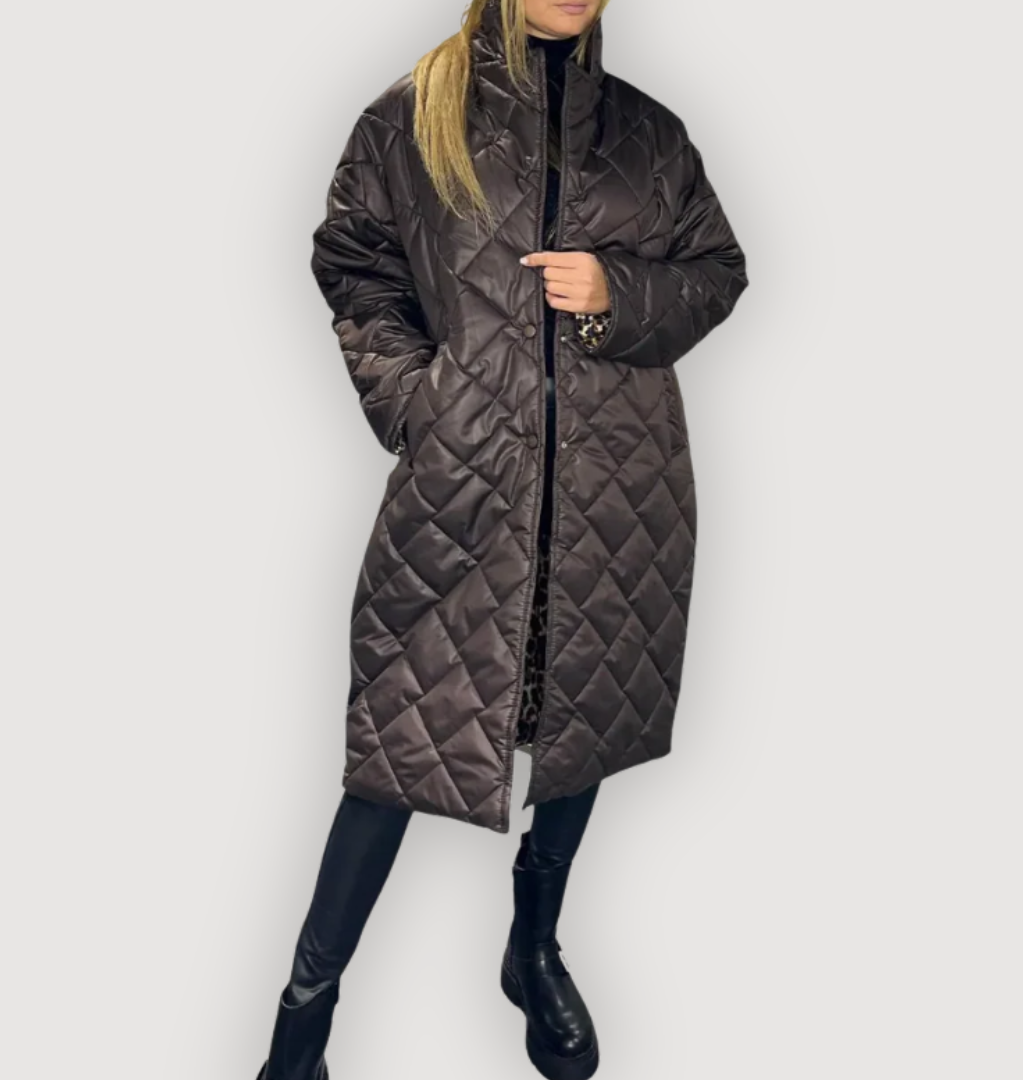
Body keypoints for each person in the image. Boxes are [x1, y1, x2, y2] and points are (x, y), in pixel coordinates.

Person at [254, 1, 748, 1077]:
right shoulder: (411, 119)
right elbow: (354, 264)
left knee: (582, 719)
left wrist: (619, 291)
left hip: (620, 495)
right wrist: (419, 406)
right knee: (396, 742)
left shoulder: (652, 135)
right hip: (461, 493)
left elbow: (717, 270)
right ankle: (303, 1018)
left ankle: (534, 945)